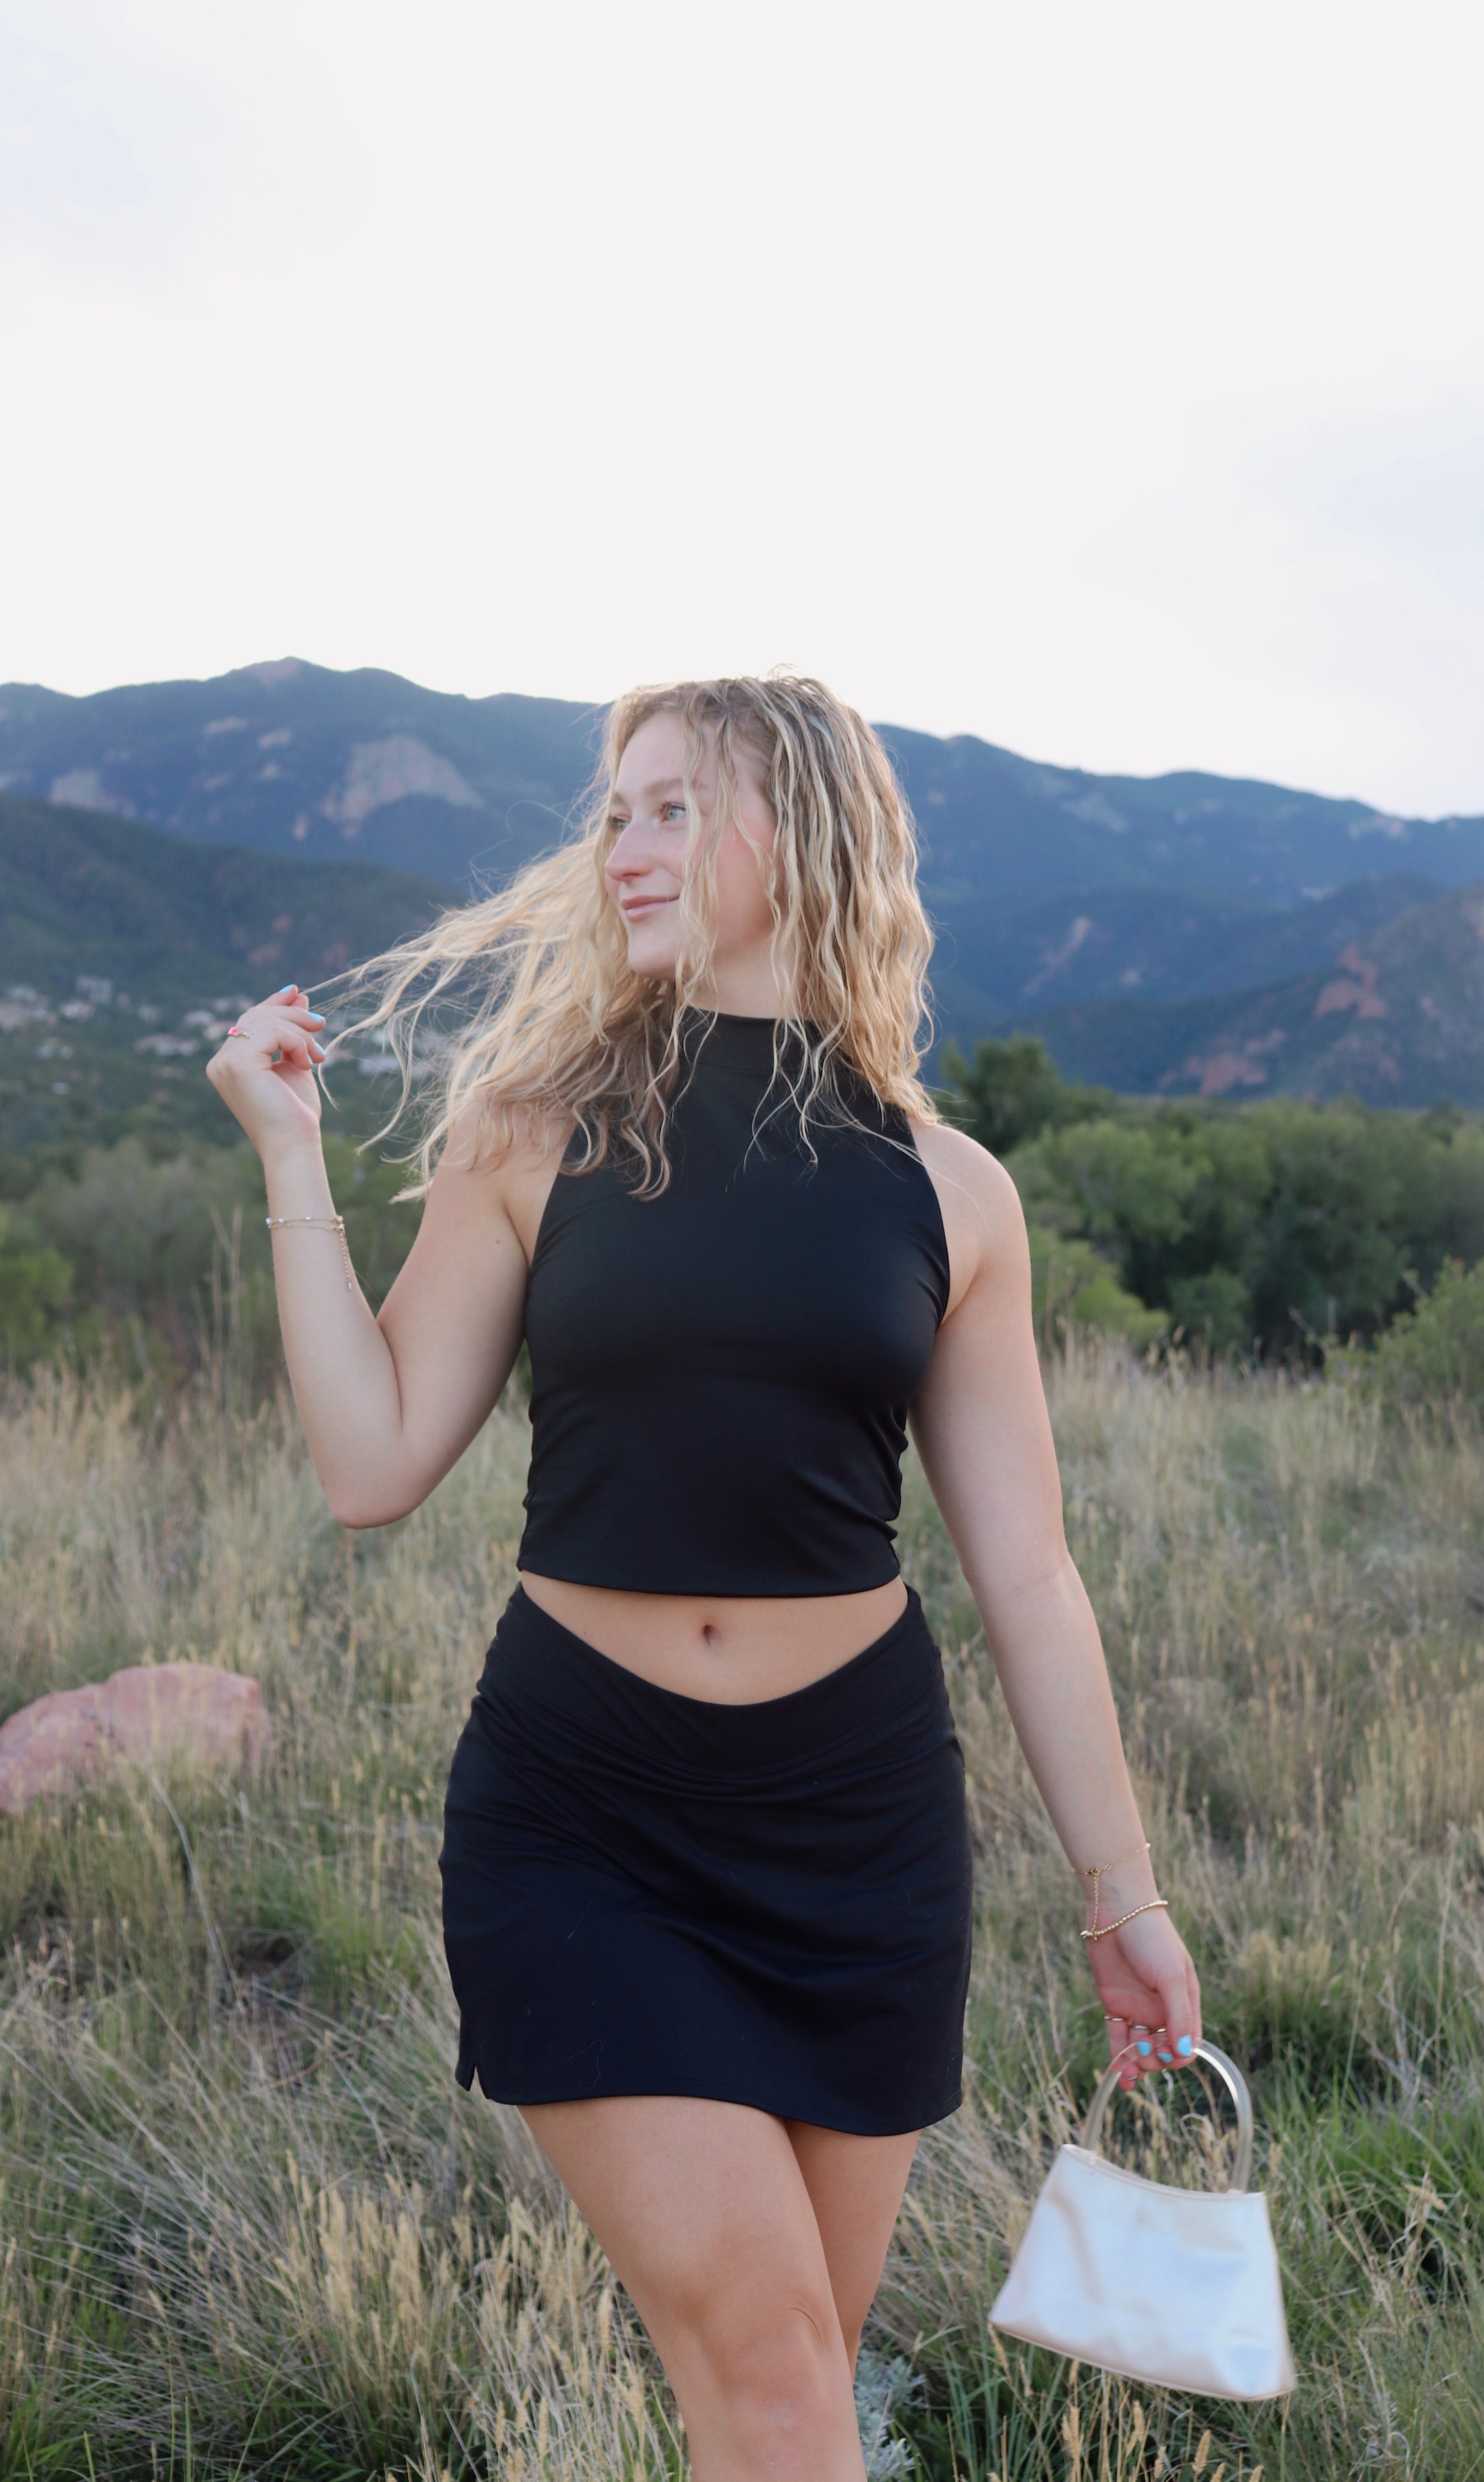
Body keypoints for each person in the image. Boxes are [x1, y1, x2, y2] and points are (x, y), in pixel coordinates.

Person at [206, 674, 1201, 2481]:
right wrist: (292, 1162)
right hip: (587, 1817)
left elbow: (1032, 1575)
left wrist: (1116, 1890)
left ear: (802, 833)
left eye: (673, 807)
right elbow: (372, 1464)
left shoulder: (951, 1189)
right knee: (774, 2371)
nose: (624, 846)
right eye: (615, 812)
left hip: (857, 1828)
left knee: (786, 2387)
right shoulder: (533, 1128)